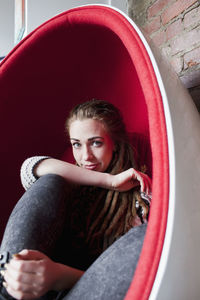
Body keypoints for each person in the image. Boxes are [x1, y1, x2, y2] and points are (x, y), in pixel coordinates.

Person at [0, 99, 152, 300]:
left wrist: (58, 276)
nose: (85, 156)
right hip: (27, 289)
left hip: (86, 291)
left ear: (114, 144)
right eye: (76, 145)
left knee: (147, 237)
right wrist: (111, 181)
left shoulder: (140, 199)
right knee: (51, 182)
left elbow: (125, 276)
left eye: (96, 143)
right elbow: (31, 166)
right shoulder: (71, 181)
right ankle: (7, 283)